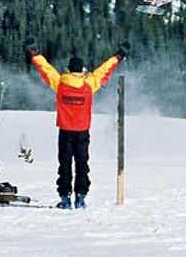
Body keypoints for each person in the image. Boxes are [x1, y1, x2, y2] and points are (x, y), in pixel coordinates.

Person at [25, 40, 124, 209]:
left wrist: (35, 54)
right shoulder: (89, 83)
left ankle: (65, 199)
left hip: (65, 131)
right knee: (82, 164)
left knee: (64, 165)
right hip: (82, 132)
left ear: (69, 69)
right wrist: (118, 56)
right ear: (82, 70)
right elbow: (105, 69)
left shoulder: (60, 83)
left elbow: (46, 69)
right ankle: (81, 197)